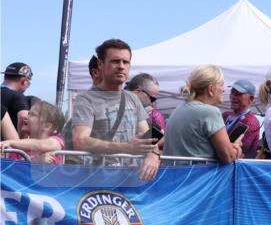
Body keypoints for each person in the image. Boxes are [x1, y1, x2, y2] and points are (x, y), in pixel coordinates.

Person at [69, 39, 160, 181]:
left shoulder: (132, 98)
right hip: (96, 179)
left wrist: (154, 155)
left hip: (129, 180)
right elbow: (80, 141)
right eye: (115, 61)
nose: (121, 66)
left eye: (126, 62)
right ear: (100, 64)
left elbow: (147, 138)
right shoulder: (86, 99)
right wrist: (126, 148)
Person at [163, 65, 242, 162]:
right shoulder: (210, 112)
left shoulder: (179, 108)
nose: (224, 89)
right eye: (221, 85)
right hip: (200, 175)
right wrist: (236, 147)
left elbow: (195, 146)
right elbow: (229, 157)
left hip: (175, 174)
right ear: (211, 89)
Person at [1, 99, 66, 163]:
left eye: (32, 114)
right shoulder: (18, 148)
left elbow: (42, 145)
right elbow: (12, 170)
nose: (26, 117)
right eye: (28, 113)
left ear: (47, 126)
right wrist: (34, 162)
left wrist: (10, 142)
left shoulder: (57, 140)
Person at [222, 78, 261, 159]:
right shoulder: (225, 115)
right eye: (232, 92)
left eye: (238, 94)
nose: (233, 96)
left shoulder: (251, 121)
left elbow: (240, 151)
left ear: (251, 99)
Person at [1, 63, 32, 135]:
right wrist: (19, 142)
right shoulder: (18, 96)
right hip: (6, 144)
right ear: (24, 81)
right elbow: (23, 116)